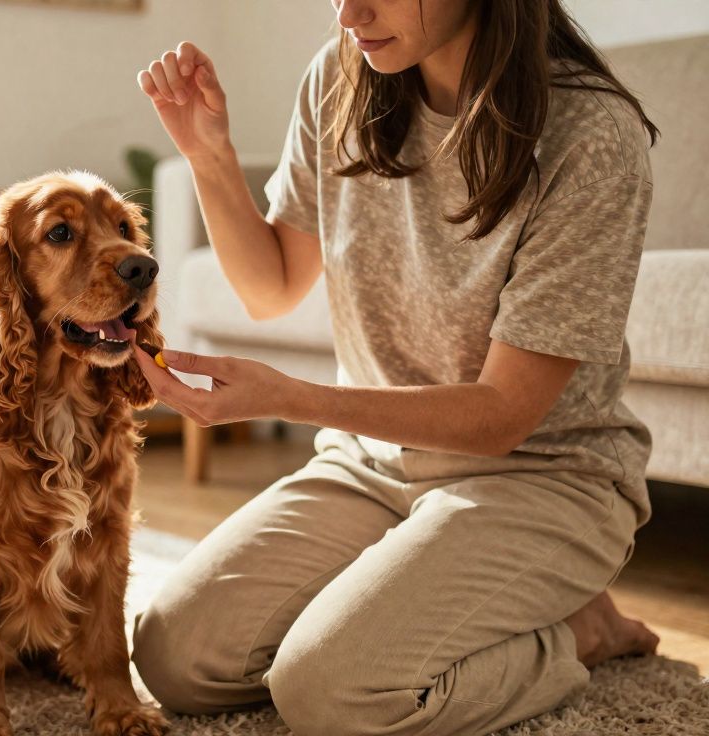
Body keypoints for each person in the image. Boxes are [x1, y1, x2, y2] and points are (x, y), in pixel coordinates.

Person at [129, 1, 661, 734]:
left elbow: (504, 416)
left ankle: (577, 633)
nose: (350, 12)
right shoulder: (341, 78)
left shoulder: (592, 133)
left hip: (542, 476)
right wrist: (208, 154)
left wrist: (290, 398)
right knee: (175, 655)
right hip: (372, 465)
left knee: (329, 691)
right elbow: (269, 287)